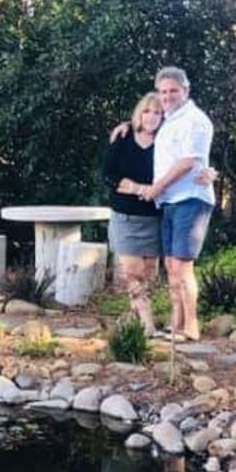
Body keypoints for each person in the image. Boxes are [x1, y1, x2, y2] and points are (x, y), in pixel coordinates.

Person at [138, 67, 215, 342]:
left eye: (173, 91)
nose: (167, 96)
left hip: (190, 200)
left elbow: (188, 162)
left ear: (186, 91)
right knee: (171, 264)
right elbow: (143, 126)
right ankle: (177, 324)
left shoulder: (194, 120)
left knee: (182, 267)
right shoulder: (170, 119)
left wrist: (156, 188)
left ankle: (191, 327)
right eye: (163, 91)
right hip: (171, 201)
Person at [102, 92, 163, 335]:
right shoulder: (123, 137)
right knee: (132, 272)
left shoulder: (167, 142)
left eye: (157, 112)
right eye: (147, 111)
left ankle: (138, 317)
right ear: (139, 113)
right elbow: (109, 175)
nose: (151, 117)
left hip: (154, 218)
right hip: (125, 217)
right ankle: (147, 324)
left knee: (148, 275)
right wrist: (138, 188)